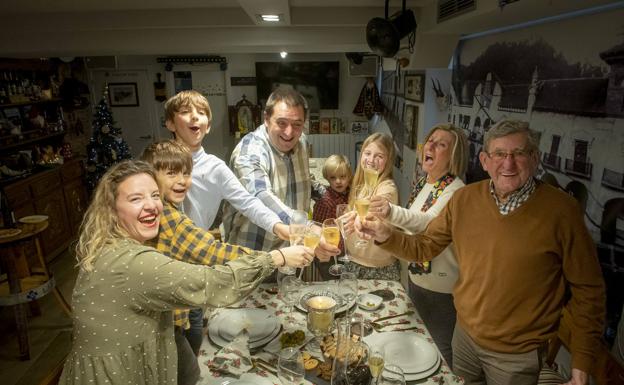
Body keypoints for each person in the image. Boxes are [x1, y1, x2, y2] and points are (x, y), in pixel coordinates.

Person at [358, 119, 605, 385]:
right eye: (499, 154)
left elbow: (588, 289)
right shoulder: (465, 199)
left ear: (535, 158)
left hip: (517, 354)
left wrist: (580, 363)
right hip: (464, 338)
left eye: (518, 153)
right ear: (485, 160)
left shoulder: (563, 211)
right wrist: (385, 235)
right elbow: (425, 246)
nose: (507, 163)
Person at [58, 160, 313, 385]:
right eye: (136, 199)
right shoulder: (131, 264)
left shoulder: (109, 247)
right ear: (112, 210)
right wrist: (277, 257)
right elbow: (210, 283)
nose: (151, 206)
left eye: (155, 195)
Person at [140, 140, 311, 385]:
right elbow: (215, 252)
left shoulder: (166, 210)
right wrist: (278, 257)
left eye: (186, 173)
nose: (182, 180)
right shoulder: (171, 218)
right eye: (171, 173)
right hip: (167, 321)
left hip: (177, 311)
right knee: (188, 375)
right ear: (151, 177)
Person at [163, 90, 290, 356]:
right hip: (162, 267)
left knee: (194, 335)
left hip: (196, 265)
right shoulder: (156, 161)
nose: (194, 117)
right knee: (166, 341)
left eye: (201, 113)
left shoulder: (215, 168)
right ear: (170, 123)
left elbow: (249, 202)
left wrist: (282, 228)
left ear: (208, 126)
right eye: (185, 111)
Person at [369, 123, 468, 368]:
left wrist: (390, 211)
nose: (430, 145)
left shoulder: (456, 190)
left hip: (441, 287)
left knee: (440, 349)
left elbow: (426, 224)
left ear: (454, 155)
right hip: (416, 278)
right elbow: (409, 229)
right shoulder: (425, 183)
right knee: (419, 342)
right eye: (430, 140)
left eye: (441, 144)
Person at [223, 87, 337, 260]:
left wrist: (330, 196)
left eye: (297, 125)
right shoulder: (250, 150)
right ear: (266, 119)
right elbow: (260, 195)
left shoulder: (302, 142)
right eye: (281, 123)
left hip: (293, 252)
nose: (289, 132)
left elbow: (304, 181)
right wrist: (306, 227)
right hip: (254, 254)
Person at [345, 132, 400, 281]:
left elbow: (376, 208)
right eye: (367, 153)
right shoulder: (362, 185)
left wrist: (340, 223)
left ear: (388, 162)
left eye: (379, 156)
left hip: (377, 268)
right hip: (354, 261)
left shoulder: (388, 187)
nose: (371, 160)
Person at [312, 154, 352, 279]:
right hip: (327, 252)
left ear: (349, 176)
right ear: (327, 178)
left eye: (342, 176)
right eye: (333, 178)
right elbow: (317, 225)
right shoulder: (325, 200)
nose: (338, 181)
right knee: (332, 280)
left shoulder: (351, 194)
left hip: (345, 250)